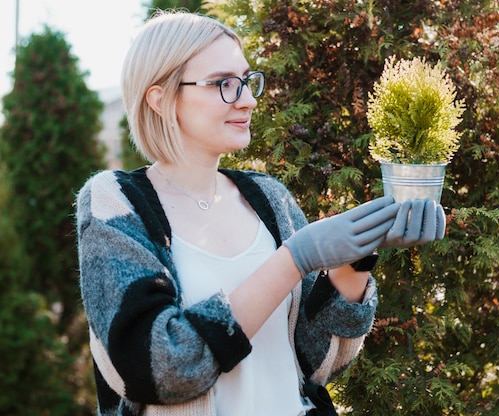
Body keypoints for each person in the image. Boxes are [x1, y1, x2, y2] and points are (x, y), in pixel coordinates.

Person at [75, 9, 447, 416]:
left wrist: (354, 262)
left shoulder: (268, 198)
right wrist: (294, 260)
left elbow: (317, 364)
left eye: (248, 82)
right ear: (161, 98)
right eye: (225, 84)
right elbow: (158, 368)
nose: (249, 100)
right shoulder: (116, 202)